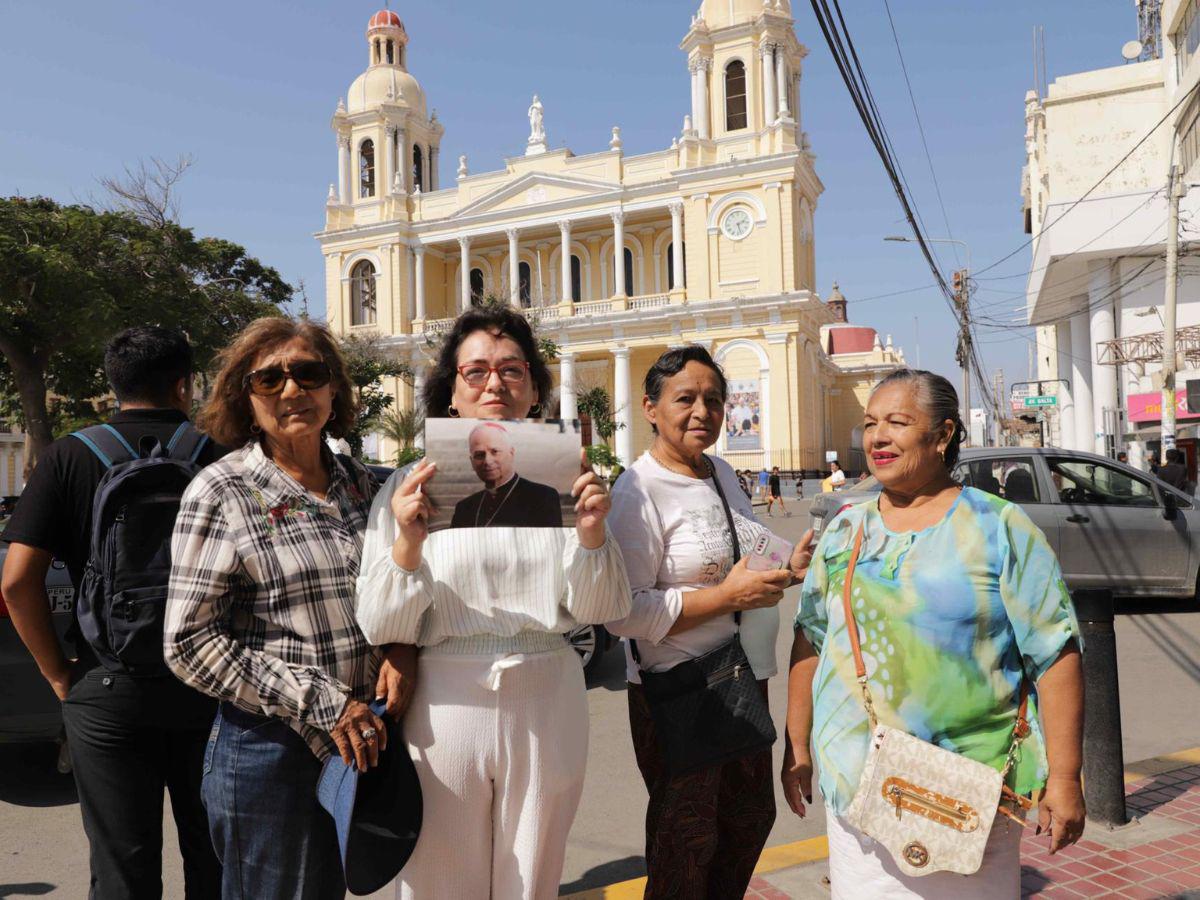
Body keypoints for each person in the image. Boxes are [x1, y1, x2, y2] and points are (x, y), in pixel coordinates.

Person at [354, 304, 631, 899]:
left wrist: (590, 535)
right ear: (451, 393)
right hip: (445, 701)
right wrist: (407, 541)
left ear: (533, 389)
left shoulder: (568, 480)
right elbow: (379, 620)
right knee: (438, 879)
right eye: (475, 371)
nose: (494, 384)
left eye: (512, 370)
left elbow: (601, 608)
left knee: (530, 879)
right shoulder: (409, 485)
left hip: (547, 690)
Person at [782, 369, 1085, 898]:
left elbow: (1056, 653)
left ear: (943, 435)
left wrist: (1065, 777)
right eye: (870, 424)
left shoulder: (1000, 527)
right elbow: (810, 635)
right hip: (860, 787)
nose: (877, 437)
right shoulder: (847, 529)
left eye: (897, 423)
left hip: (969, 789)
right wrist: (798, 746)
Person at [165, 317, 386, 899]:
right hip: (270, 752)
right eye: (270, 380)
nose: (293, 391)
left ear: (333, 388)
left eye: (308, 373)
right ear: (247, 396)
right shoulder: (221, 492)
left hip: (359, 743)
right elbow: (189, 644)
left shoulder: (360, 484)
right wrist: (323, 703)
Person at [1, 326, 223, 899]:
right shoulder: (221, 456)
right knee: (217, 860)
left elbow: (17, 580)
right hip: (214, 686)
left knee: (123, 868)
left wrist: (58, 674)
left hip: (106, 683)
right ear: (184, 384)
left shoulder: (71, 454)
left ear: (114, 383)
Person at [606, 346, 813, 900]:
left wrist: (788, 566)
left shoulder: (720, 471)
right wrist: (725, 597)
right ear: (651, 408)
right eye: (686, 399)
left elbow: (744, 552)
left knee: (747, 821)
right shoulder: (636, 491)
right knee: (686, 844)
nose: (703, 411)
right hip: (679, 689)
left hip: (740, 676)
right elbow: (625, 612)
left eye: (714, 400)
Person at [450, 421, 562, 527]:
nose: (487, 461)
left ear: (511, 453)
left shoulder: (542, 498)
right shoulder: (464, 508)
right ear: (472, 461)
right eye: (479, 455)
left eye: (495, 452)